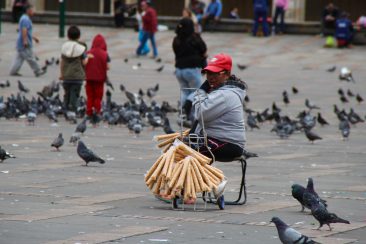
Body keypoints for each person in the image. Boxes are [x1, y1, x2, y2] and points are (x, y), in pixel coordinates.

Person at [191, 53, 247, 162]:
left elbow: (200, 114)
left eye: (216, 73)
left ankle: (202, 179)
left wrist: (201, 91)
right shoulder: (222, 90)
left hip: (228, 144)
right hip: (219, 140)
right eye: (208, 73)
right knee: (183, 145)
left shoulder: (225, 94)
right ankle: (203, 179)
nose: (210, 77)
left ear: (227, 74)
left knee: (186, 151)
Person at [173, 18, 207, 121]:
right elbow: (204, 49)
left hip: (179, 70)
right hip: (192, 70)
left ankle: (184, 115)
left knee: (185, 92)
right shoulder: (194, 38)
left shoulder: (176, 39)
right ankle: (187, 108)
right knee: (199, 91)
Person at [60, 26, 90, 112]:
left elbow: (62, 61)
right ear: (79, 36)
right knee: (75, 94)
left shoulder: (64, 46)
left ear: (68, 36)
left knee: (67, 93)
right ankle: (72, 110)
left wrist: (61, 74)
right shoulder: (81, 47)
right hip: (77, 76)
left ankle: (65, 109)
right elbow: (84, 62)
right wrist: (88, 58)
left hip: (66, 75)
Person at [9, 5, 46, 77]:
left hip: (21, 42)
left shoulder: (23, 18)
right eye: (32, 10)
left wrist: (33, 37)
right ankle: (37, 71)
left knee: (19, 58)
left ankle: (13, 71)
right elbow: (24, 30)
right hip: (24, 43)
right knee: (30, 57)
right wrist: (25, 41)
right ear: (28, 10)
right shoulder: (25, 19)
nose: (33, 12)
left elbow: (23, 31)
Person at [85, 34, 110, 118]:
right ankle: (97, 111)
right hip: (100, 79)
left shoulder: (88, 53)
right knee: (98, 97)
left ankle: (89, 111)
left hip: (89, 78)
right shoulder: (105, 54)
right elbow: (108, 67)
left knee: (90, 96)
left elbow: (84, 63)